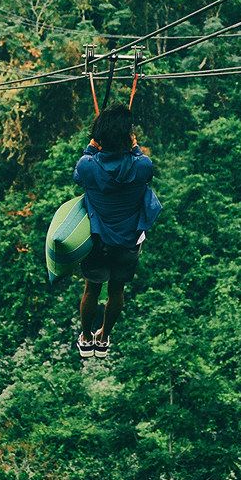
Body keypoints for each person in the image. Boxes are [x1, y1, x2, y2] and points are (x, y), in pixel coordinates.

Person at [73, 103, 161, 358]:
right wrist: (134, 146)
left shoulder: (89, 166)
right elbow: (142, 161)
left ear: (101, 138)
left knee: (91, 289)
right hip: (128, 242)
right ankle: (104, 337)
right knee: (117, 291)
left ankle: (87, 337)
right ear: (128, 136)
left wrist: (92, 146)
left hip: (99, 241)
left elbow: (80, 173)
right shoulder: (142, 166)